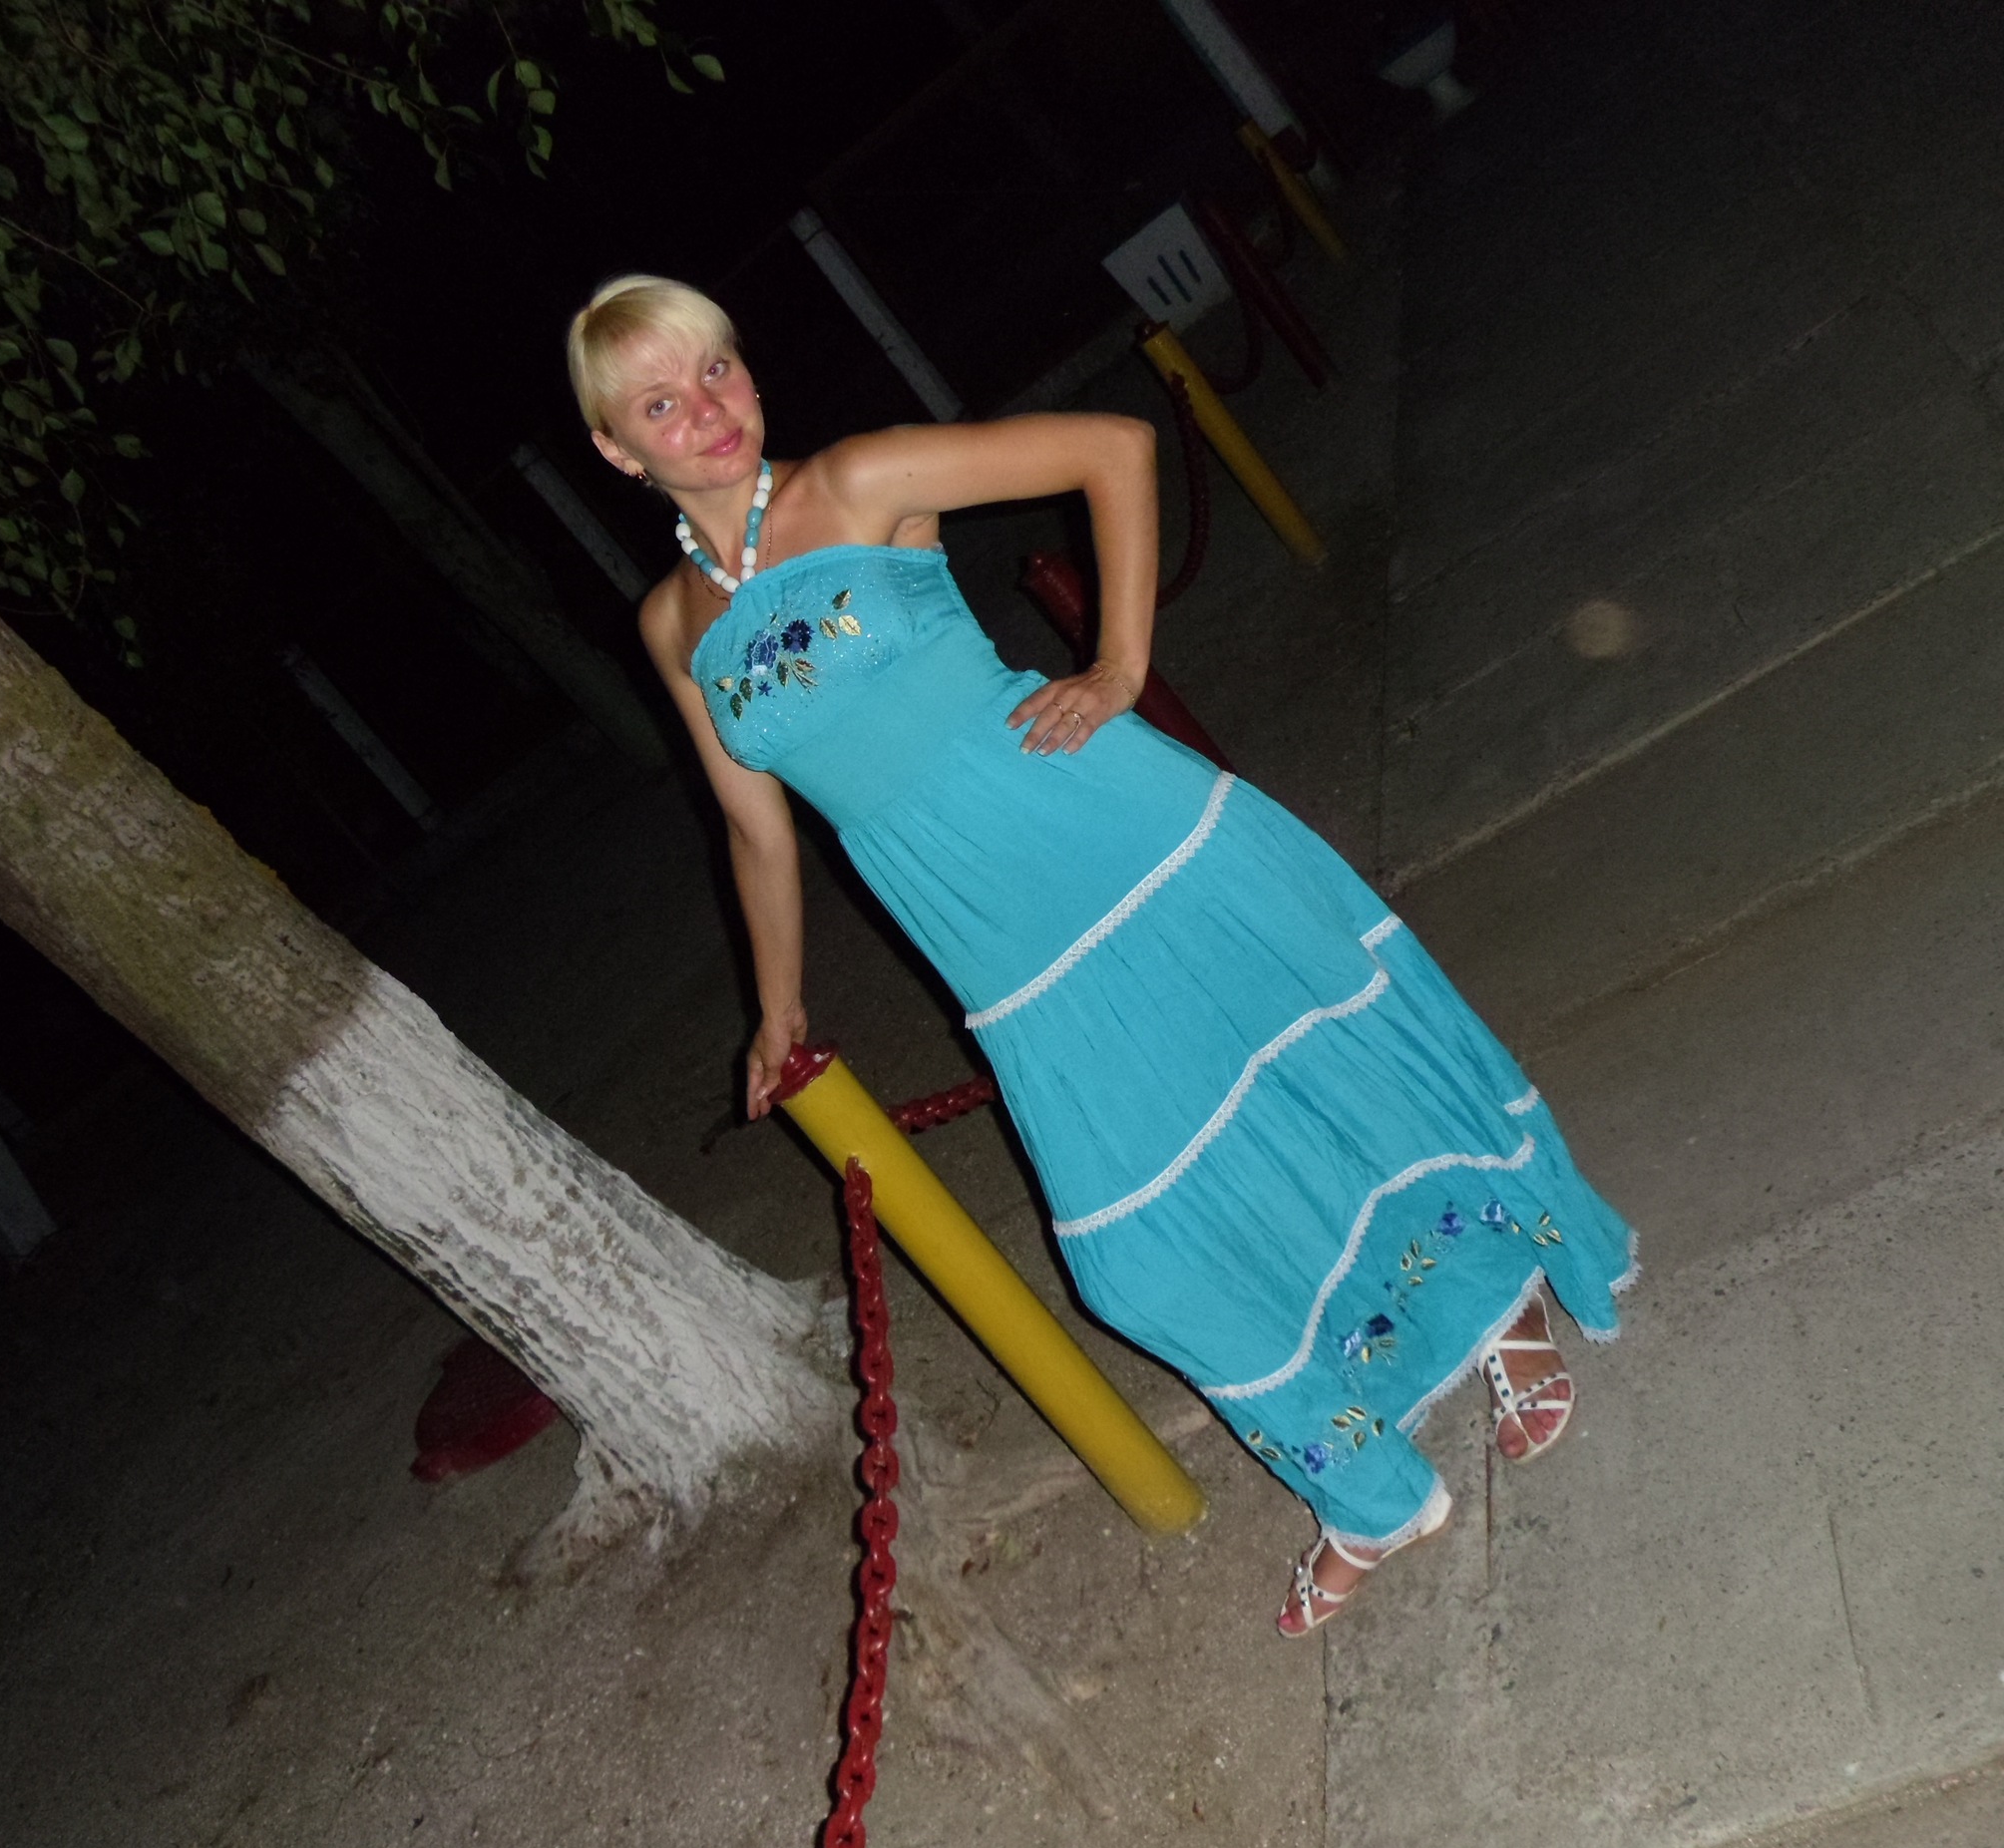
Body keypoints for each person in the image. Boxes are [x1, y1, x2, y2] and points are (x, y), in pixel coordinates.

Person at [568, 273, 1636, 1637]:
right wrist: (774, 1005)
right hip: (997, 949)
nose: (707, 409)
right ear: (619, 449)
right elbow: (755, 827)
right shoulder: (674, 628)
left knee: (1326, 1081)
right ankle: (1373, 1486)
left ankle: (1499, 1313)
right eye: (662, 403)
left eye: (716, 368)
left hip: (1122, 835)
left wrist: (1118, 666)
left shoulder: (858, 479)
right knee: (1133, 1256)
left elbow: (1115, 449)